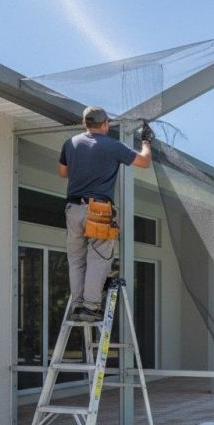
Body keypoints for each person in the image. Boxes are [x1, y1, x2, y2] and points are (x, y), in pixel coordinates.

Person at [58, 106, 153, 321]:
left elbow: (63, 172)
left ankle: (78, 304)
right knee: (99, 256)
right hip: (99, 210)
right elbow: (144, 162)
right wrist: (146, 142)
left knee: (76, 258)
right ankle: (91, 307)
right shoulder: (113, 146)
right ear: (105, 124)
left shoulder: (70, 143)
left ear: (85, 123)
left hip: (73, 208)